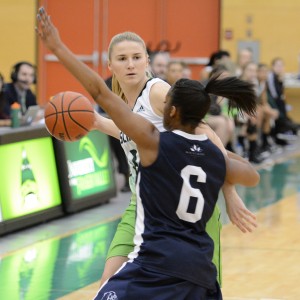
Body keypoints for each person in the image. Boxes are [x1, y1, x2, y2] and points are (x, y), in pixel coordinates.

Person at [37, 10, 260, 298]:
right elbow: (133, 136)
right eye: (122, 59)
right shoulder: (124, 104)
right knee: (109, 282)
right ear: (110, 66)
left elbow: (208, 135)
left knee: (194, 288)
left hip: (179, 212)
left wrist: (229, 193)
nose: (131, 64)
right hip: (140, 205)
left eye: (137, 57)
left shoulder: (157, 92)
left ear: (147, 61)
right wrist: (94, 122)